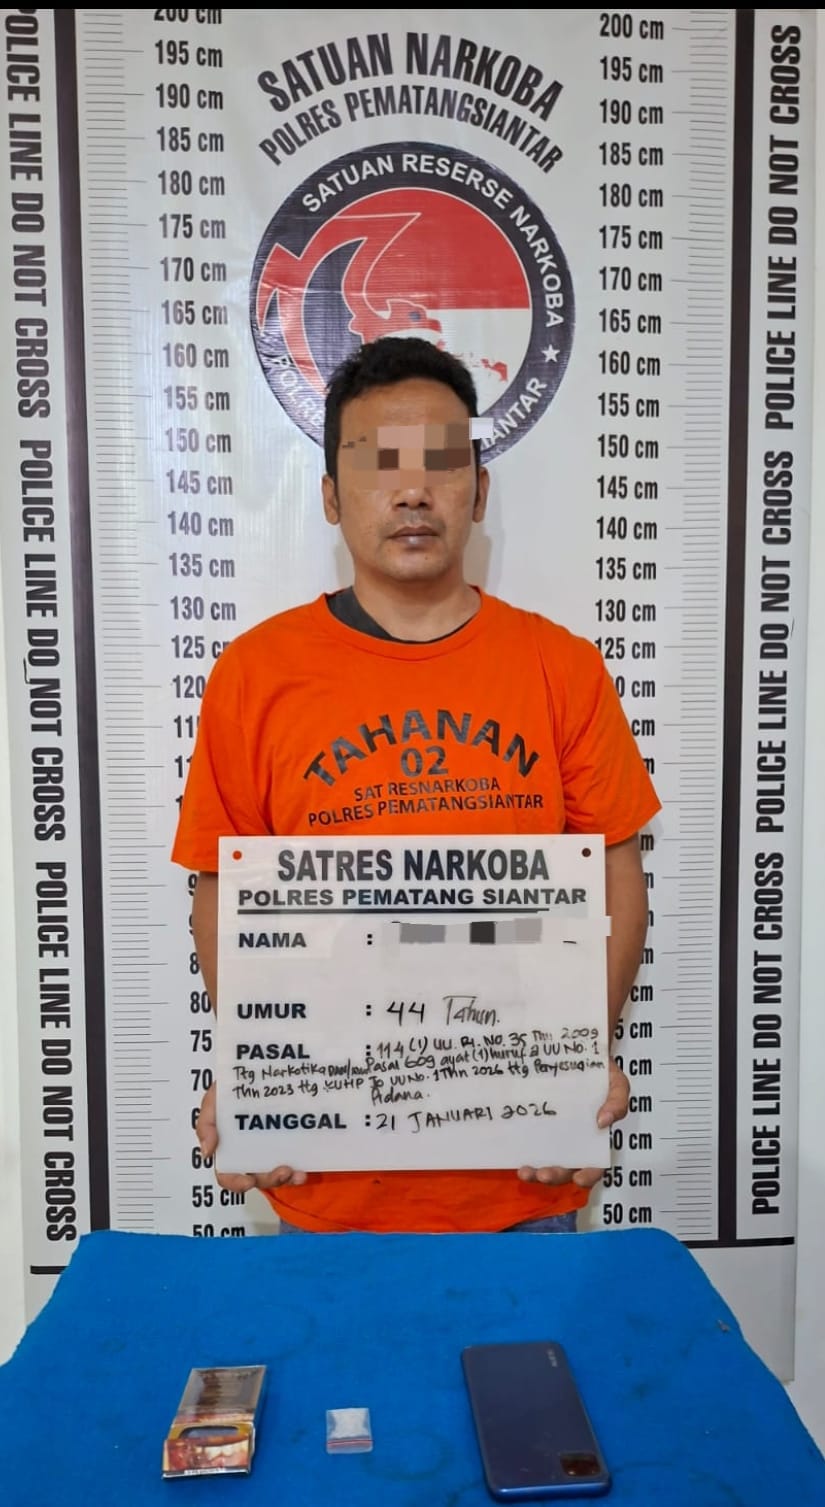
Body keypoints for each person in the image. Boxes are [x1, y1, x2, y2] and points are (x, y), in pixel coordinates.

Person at [172, 336, 660, 1234]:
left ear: (477, 489)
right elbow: (222, 889)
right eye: (377, 466)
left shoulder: (562, 668)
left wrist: (577, 1059)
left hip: (521, 1177)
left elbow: (614, 873)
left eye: (439, 463)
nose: (411, 492)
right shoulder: (254, 675)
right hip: (325, 1176)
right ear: (331, 495)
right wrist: (257, 1064)